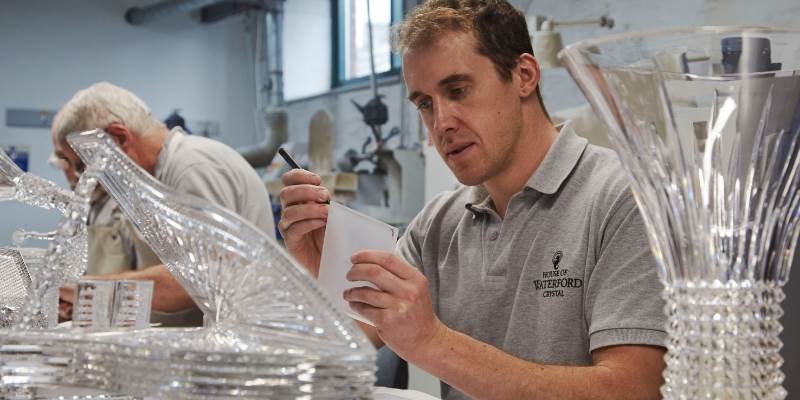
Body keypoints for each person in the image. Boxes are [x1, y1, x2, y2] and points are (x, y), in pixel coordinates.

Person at [278, 1, 667, 399]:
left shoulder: (624, 198)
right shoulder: (438, 224)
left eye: (458, 90)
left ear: (524, 75)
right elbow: (340, 348)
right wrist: (317, 277)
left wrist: (432, 343)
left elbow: (632, 389)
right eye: (425, 104)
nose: (441, 122)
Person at [51, 81, 275, 326]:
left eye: (83, 164)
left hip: (237, 339)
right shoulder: (151, 179)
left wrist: (85, 289)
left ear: (119, 136)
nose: (83, 177)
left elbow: (202, 279)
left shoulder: (192, 167)